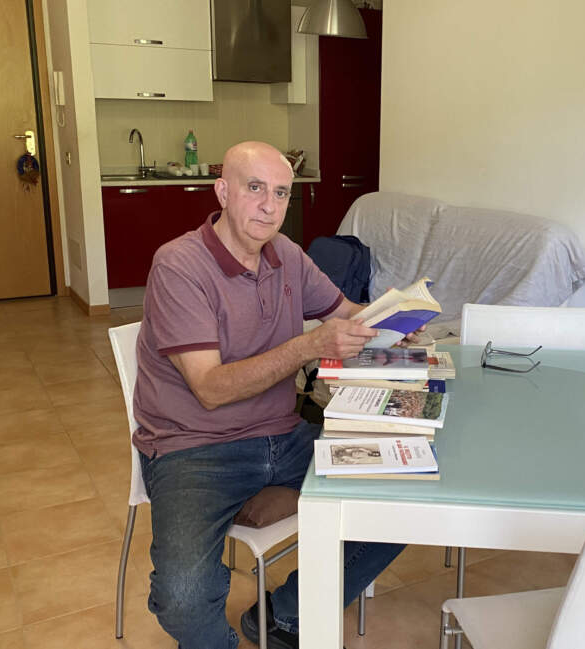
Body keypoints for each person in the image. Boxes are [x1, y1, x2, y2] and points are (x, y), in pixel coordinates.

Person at [132, 141, 405, 649]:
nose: (269, 205)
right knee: (183, 599)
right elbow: (210, 389)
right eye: (255, 188)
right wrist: (309, 345)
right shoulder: (179, 266)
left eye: (280, 193)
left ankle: (286, 611)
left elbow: (345, 311)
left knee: (404, 495)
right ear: (223, 191)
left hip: (283, 437)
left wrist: (399, 320)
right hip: (194, 449)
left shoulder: (287, 256)